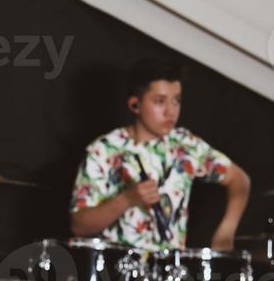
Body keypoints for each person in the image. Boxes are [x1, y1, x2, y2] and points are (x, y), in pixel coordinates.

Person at [70, 57, 251, 250]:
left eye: (176, 101)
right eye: (159, 101)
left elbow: (240, 180)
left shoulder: (185, 145)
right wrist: (127, 199)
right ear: (135, 105)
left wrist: (227, 229)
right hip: (116, 273)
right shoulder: (104, 150)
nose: (170, 111)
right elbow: (79, 225)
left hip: (171, 273)